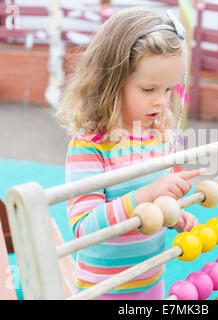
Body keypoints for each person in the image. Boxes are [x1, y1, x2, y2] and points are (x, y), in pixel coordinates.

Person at [56, 7, 205, 300]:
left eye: (168, 90)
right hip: (104, 288)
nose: (162, 102)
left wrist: (174, 215)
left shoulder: (159, 136)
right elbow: (84, 228)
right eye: (149, 89)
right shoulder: (89, 147)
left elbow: (155, 201)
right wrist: (148, 195)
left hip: (151, 277)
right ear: (110, 83)